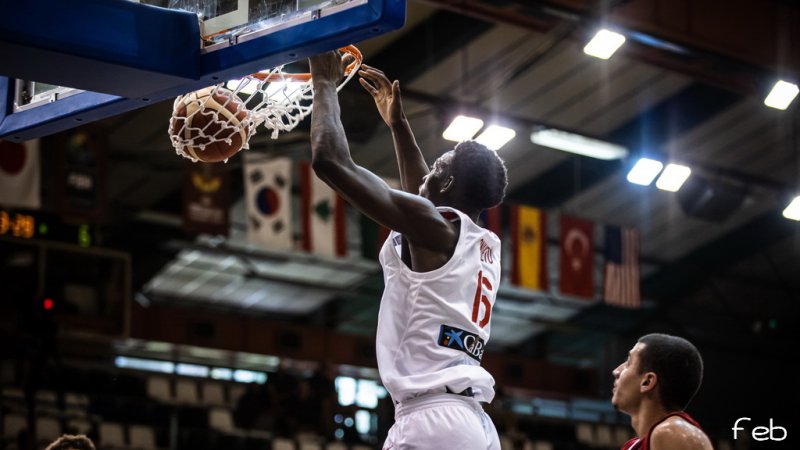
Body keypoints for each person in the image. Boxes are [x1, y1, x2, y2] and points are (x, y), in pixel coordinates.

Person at [308, 51, 508, 450]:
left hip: (433, 422)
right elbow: (423, 195)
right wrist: (398, 125)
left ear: (447, 184)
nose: (428, 172)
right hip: (470, 423)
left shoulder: (435, 230)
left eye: (438, 166)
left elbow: (330, 161)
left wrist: (324, 83)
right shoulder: (482, 243)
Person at [612, 333, 713, 450]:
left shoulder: (672, 433)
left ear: (647, 382)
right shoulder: (632, 446)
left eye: (629, 362)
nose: (616, 371)